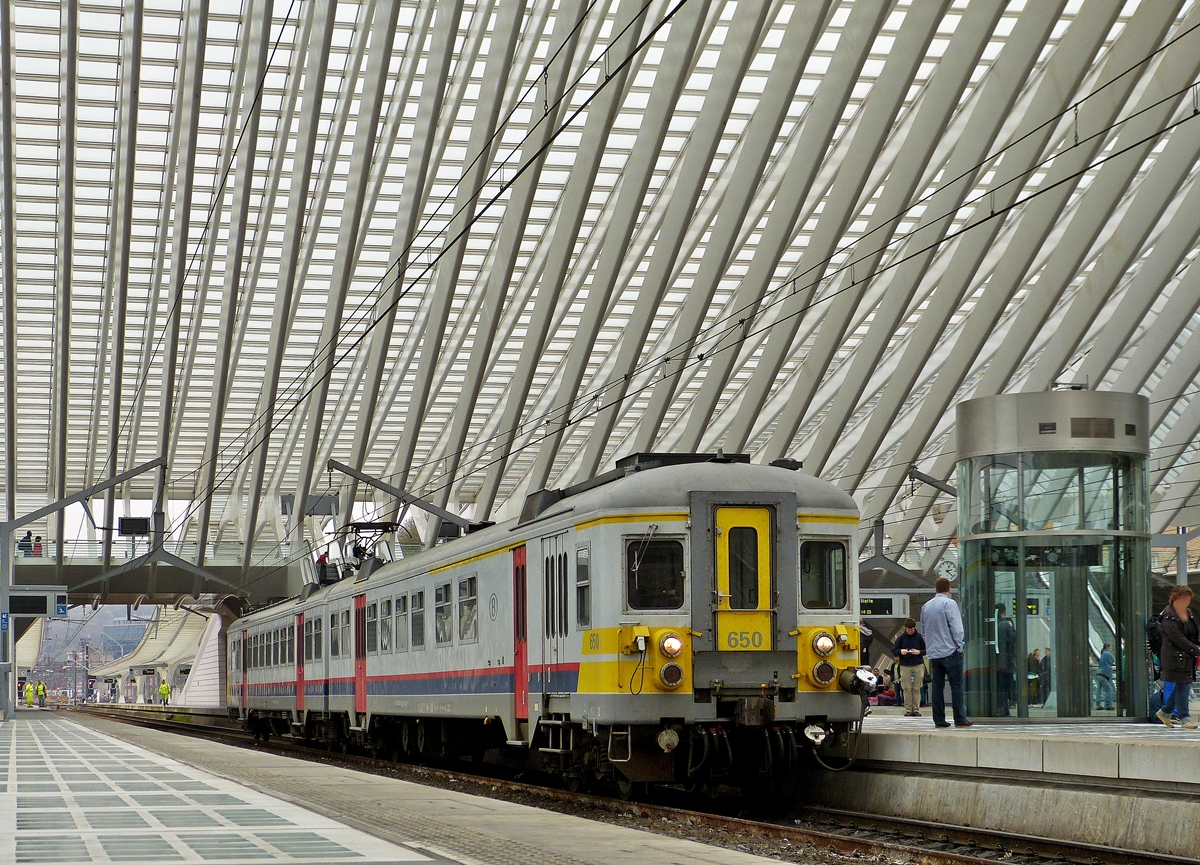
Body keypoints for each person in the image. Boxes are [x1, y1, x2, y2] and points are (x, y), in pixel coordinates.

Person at [920, 577, 971, 728]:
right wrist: (959, 645)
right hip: (950, 651)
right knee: (956, 686)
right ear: (948, 588)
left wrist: (930, 647)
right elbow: (957, 628)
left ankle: (939, 720)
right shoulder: (949, 603)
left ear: (935, 589)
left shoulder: (926, 606)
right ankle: (960, 719)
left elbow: (924, 630)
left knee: (937, 686)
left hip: (934, 653)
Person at [1157, 584, 1200, 728]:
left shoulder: (1187, 612)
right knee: (1183, 685)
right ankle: (1185, 718)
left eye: (1188, 599)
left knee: (1182, 686)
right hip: (1175, 657)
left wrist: (1196, 645)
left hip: (1186, 656)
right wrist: (1195, 649)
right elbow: (1177, 638)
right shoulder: (1169, 615)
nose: (1186, 602)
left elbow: (1192, 632)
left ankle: (1165, 712)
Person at [892, 618, 926, 717]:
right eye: (908, 629)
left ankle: (916, 709)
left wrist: (919, 652)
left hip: (918, 664)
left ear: (914, 628)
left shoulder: (919, 637)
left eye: (911, 629)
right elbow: (894, 649)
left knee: (916, 688)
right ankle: (908, 710)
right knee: (907, 688)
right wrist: (900, 652)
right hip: (905, 665)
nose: (910, 631)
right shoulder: (901, 638)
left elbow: (925, 649)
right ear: (905, 628)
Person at [995, 604, 1017, 716]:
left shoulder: (992, 624)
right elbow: (1014, 639)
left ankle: (1000, 709)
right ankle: (1003, 710)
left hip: (994, 662)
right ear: (1004, 611)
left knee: (998, 687)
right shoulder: (1005, 625)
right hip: (1006, 662)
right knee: (1005, 688)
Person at [1096, 644, 1115, 711]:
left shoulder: (1102, 654)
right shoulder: (1107, 654)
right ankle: (1108, 705)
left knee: (1099, 690)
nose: (1111, 649)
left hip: (1099, 674)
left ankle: (1098, 705)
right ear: (1107, 648)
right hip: (1104, 675)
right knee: (1109, 690)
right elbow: (1113, 661)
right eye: (1110, 648)